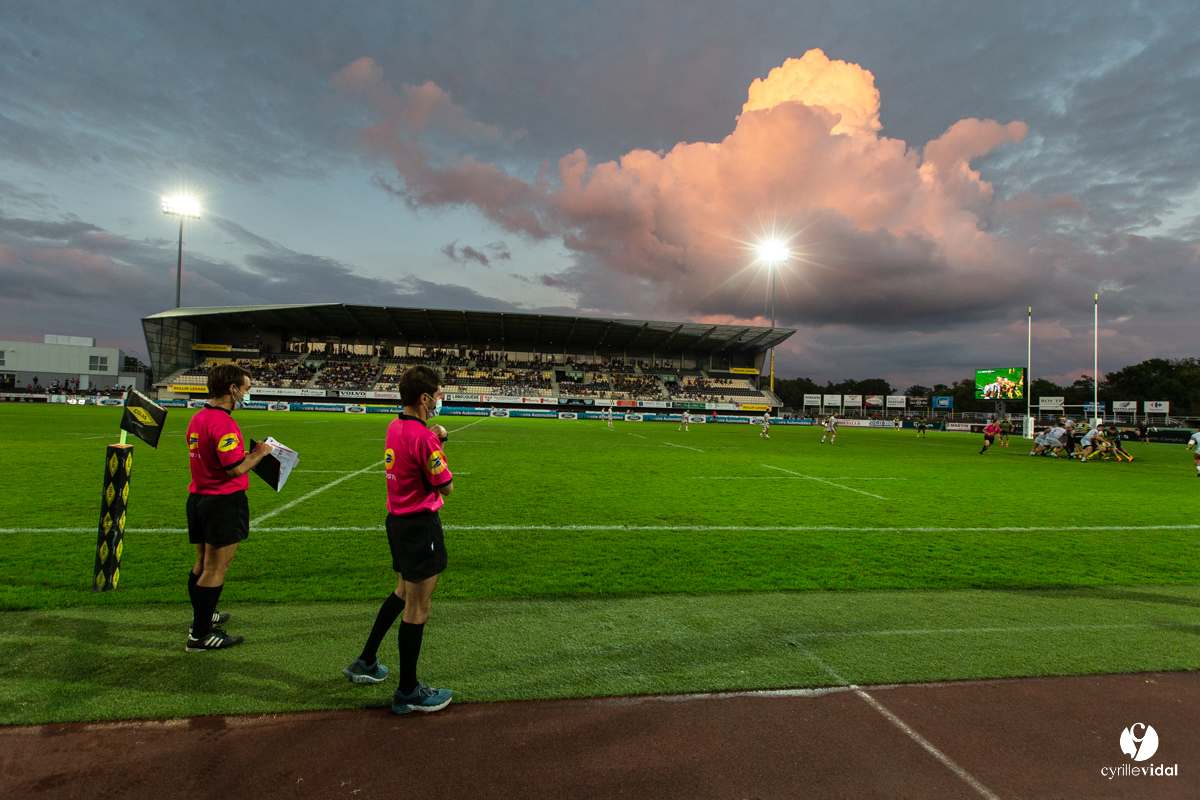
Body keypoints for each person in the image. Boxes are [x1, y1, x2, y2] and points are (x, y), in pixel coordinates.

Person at [343, 365, 455, 714]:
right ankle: (408, 691)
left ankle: (367, 660)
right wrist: (437, 441)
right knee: (417, 607)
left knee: (403, 592)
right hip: (420, 526)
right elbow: (446, 486)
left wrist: (433, 438)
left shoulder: (395, 426)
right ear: (424, 398)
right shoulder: (424, 437)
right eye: (437, 395)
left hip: (398, 521)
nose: (439, 400)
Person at [185, 363, 274, 652]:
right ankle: (200, 635)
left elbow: (217, 458)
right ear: (232, 389)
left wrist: (245, 453)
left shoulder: (198, 417)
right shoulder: (224, 422)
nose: (247, 394)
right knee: (215, 570)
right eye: (246, 389)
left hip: (198, 497)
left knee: (201, 564)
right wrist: (260, 454)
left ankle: (203, 617)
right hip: (222, 501)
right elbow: (234, 470)